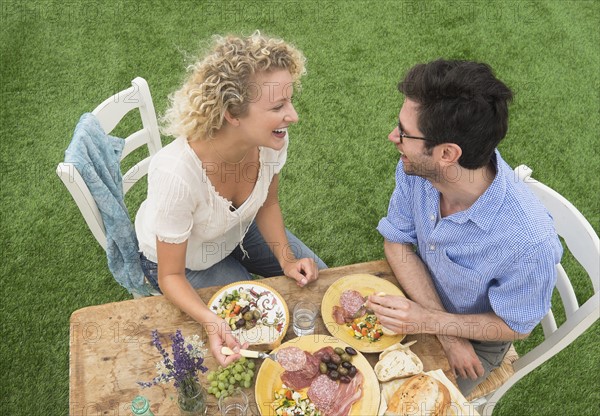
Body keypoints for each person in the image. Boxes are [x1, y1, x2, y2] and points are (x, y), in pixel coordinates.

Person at [368, 59, 562, 396]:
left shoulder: (529, 243)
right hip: (425, 303)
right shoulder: (418, 169)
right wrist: (443, 330)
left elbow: (515, 325)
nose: (392, 137)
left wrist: (434, 324)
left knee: (388, 401)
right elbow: (396, 244)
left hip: (480, 336)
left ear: (447, 153)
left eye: (404, 132)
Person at [134, 32, 327, 366]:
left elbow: (267, 203)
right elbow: (170, 276)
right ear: (232, 113)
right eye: (278, 106)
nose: (293, 116)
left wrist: (285, 260)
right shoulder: (176, 174)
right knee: (253, 327)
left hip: (236, 226)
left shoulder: (271, 140)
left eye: (289, 101)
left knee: (318, 281)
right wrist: (211, 323)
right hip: (184, 260)